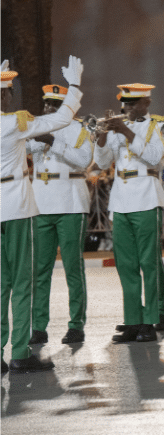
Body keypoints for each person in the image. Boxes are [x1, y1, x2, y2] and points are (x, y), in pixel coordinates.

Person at [1, 56, 83, 373]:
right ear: (5, 95)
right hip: (16, 206)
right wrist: (74, 85)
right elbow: (61, 118)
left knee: (0, 284)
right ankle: (20, 352)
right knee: (22, 281)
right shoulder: (15, 123)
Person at [94, 82, 164, 343]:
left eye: (132, 103)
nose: (126, 108)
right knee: (126, 264)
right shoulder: (118, 128)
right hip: (121, 199)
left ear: (146, 103)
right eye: (124, 104)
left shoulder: (158, 126)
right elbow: (102, 162)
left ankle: (151, 319)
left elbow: (155, 158)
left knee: (149, 263)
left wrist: (125, 131)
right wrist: (101, 138)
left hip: (147, 195)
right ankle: (133, 319)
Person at [27, 84, 93, 346]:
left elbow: (84, 161)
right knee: (39, 270)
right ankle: (38, 326)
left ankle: (76, 324)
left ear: (67, 106)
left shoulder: (79, 129)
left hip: (70, 202)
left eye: (55, 104)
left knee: (73, 268)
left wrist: (53, 141)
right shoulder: (36, 126)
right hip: (41, 203)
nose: (49, 108)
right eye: (47, 103)